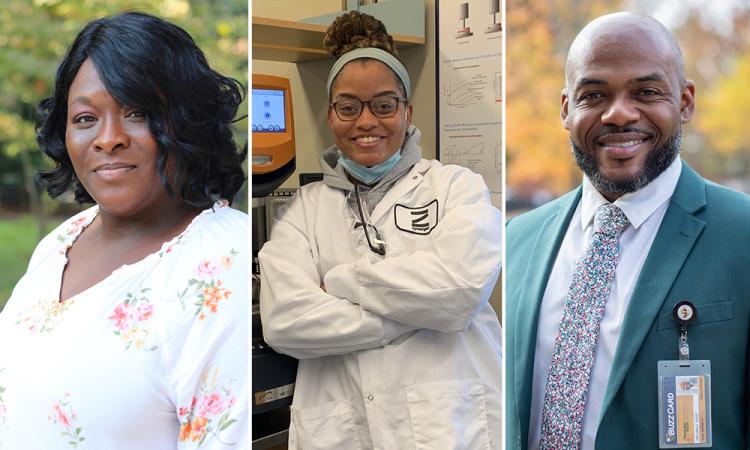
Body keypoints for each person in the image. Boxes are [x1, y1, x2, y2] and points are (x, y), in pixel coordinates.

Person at [0, 12, 248, 449]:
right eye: (85, 118)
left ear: (187, 119)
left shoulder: (223, 265)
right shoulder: (65, 239)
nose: (108, 138)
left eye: (137, 113)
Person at [506, 11, 750, 450]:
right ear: (566, 109)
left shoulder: (743, 234)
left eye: (646, 92)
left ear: (685, 101)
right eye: (594, 94)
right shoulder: (517, 242)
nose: (619, 114)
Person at [259, 11, 502, 450]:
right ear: (331, 116)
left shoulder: (457, 188)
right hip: (344, 429)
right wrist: (412, 315)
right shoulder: (303, 210)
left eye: (384, 105)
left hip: (450, 425)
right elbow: (285, 322)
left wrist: (338, 281)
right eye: (349, 107)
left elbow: (458, 292)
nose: (366, 121)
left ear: (407, 112)